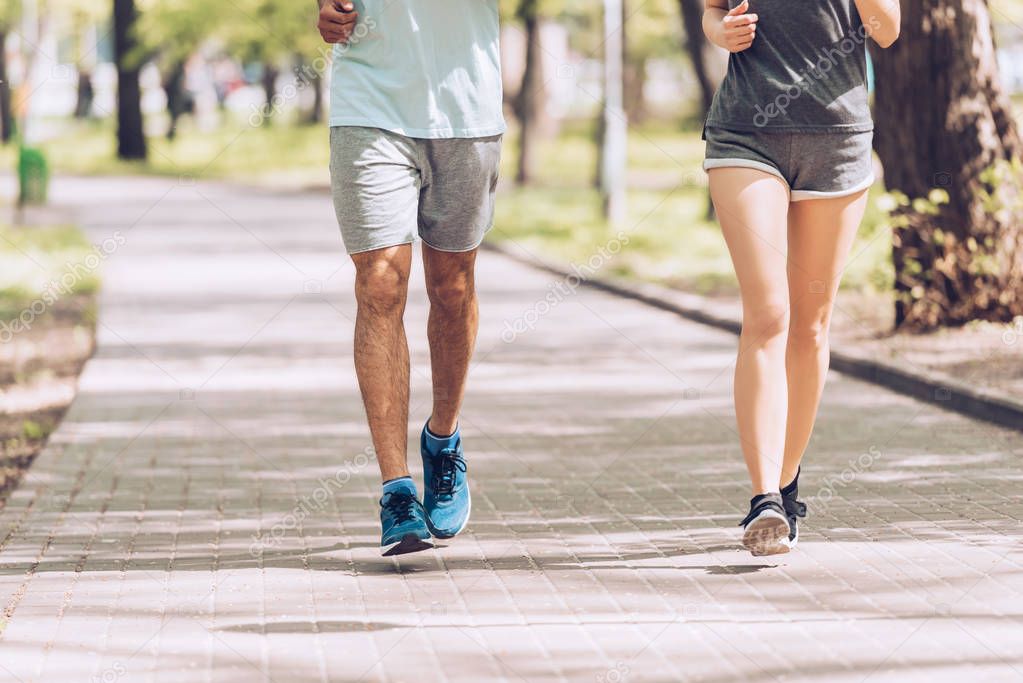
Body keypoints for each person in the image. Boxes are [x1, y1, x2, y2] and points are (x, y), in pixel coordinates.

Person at [701, 0, 900, 555]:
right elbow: (712, 13)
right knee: (768, 315)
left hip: (837, 142)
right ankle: (763, 497)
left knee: (810, 327)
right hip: (746, 133)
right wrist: (725, 31)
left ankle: (786, 486)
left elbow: (886, 31)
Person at [317, 0, 505, 555]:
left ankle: (442, 440)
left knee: (452, 286)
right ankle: (396, 492)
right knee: (380, 282)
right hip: (368, 103)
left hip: (465, 109)